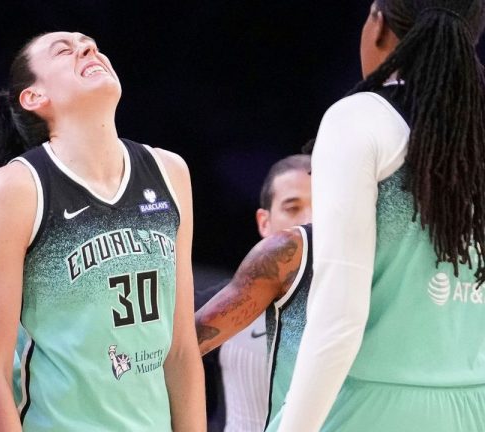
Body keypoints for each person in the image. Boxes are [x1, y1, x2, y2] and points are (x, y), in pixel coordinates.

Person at [0, 32, 206, 431]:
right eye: (64, 50)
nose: (88, 48)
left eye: (90, 43)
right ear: (35, 97)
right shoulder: (16, 188)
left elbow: (180, 350)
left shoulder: (170, 172)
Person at [272, 2, 485, 430]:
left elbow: (339, 318)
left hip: (368, 405)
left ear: (379, 26)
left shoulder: (359, 118)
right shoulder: (474, 131)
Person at [195, 155, 311, 431]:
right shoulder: (219, 305)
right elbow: (161, 363)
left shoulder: (372, 299)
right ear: (264, 222)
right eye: (293, 208)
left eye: (324, 207)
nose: (309, 222)